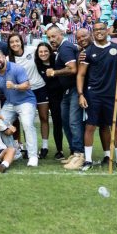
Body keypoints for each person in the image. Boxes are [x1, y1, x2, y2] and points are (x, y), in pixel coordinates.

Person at [76, 21, 117, 172]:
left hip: (113, 95)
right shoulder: (87, 52)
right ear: (92, 33)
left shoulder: (116, 48)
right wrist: (81, 94)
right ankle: (88, 160)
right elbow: (81, 74)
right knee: (90, 127)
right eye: (95, 30)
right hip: (94, 94)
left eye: (101, 29)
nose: (99, 32)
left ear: (107, 31)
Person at [0, 49, 40, 167]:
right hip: (10, 103)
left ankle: (33, 156)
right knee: (0, 123)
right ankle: (14, 153)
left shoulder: (17, 68)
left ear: (4, 57)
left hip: (26, 101)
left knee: (27, 124)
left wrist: (14, 86)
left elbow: (27, 85)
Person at [45, 27, 85, 169]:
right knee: (66, 122)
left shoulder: (66, 47)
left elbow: (72, 69)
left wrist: (54, 72)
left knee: (73, 122)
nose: (51, 40)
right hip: (67, 91)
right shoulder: (62, 49)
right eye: (49, 37)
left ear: (61, 34)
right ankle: (74, 152)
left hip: (74, 89)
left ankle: (80, 155)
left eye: (54, 36)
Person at [7, 33, 50, 158]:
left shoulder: (32, 50)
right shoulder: (8, 59)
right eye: (12, 42)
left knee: (44, 117)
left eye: (17, 41)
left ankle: (45, 147)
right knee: (27, 121)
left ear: (21, 41)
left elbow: (46, 53)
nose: (15, 44)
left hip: (40, 87)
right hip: (24, 91)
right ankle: (29, 148)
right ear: (9, 45)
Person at [34, 41, 65, 161]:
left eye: (46, 51)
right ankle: (43, 148)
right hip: (42, 94)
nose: (43, 53)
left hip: (57, 95)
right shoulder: (36, 63)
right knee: (43, 119)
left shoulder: (57, 60)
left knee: (58, 122)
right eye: (40, 51)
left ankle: (60, 150)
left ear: (50, 51)